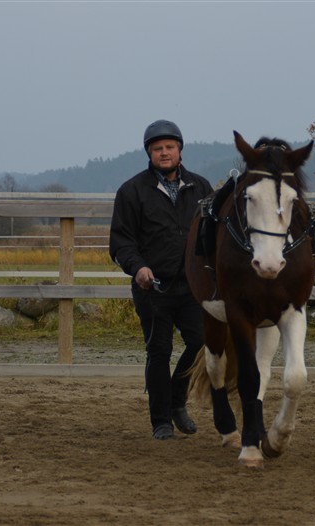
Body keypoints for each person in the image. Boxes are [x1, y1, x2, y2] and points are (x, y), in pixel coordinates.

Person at [109, 120, 214, 440]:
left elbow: (213, 236)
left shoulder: (201, 188)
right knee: (159, 350)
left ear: (180, 150)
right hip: (152, 287)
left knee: (200, 343)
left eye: (169, 147)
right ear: (149, 153)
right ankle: (161, 421)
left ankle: (176, 400)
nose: (164, 153)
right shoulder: (132, 191)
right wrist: (138, 268)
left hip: (192, 286)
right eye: (157, 149)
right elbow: (120, 242)